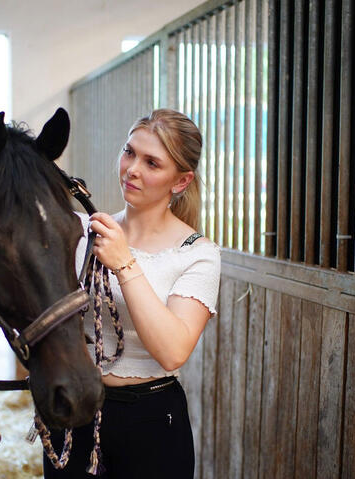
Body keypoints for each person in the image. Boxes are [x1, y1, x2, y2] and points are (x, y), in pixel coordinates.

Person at [43, 109, 221, 479]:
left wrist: (124, 264)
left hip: (151, 420)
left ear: (181, 181)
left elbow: (173, 351)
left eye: (152, 162)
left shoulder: (197, 253)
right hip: (76, 408)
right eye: (129, 152)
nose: (132, 169)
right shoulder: (82, 232)